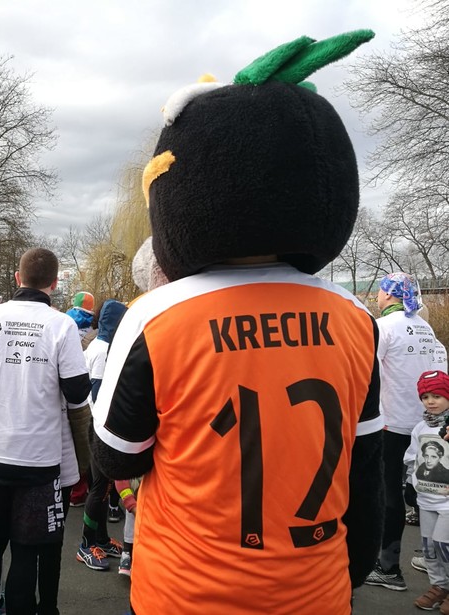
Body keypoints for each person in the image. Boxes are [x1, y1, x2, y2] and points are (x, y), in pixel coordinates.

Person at [90, 31, 382, 614]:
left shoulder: (157, 316)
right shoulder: (356, 318)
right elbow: (365, 466)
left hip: (185, 592)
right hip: (315, 591)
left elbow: (117, 457)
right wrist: (354, 572)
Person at [0, 247, 91, 615]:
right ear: (54, 283)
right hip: (38, 459)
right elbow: (78, 391)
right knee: (26, 551)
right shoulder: (61, 325)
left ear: (18, 278)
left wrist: (1, 380)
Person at [366, 272, 442, 592]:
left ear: (389, 294)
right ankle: (434, 559)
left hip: (392, 422)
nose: (377, 297)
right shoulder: (425, 328)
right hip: (427, 421)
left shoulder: (382, 327)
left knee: (389, 493)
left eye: (380, 291)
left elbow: (368, 373)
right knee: (427, 492)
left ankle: (388, 568)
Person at [76, 299, 127, 572]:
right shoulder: (104, 350)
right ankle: (86, 545)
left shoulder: (100, 345)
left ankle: (102, 539)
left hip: (99, 424)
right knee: (99, 487)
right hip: (100, 427)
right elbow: (98, 393)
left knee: (104, 486)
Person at [405, 370, 449, 612]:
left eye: (437, 396)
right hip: (426, 498)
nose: (431, 401)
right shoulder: (420, 428)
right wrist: (411, 484)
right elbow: (412, 458)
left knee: (444, 544)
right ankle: (438, 586)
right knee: (429, 547)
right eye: (425, 397)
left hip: (447, 501)